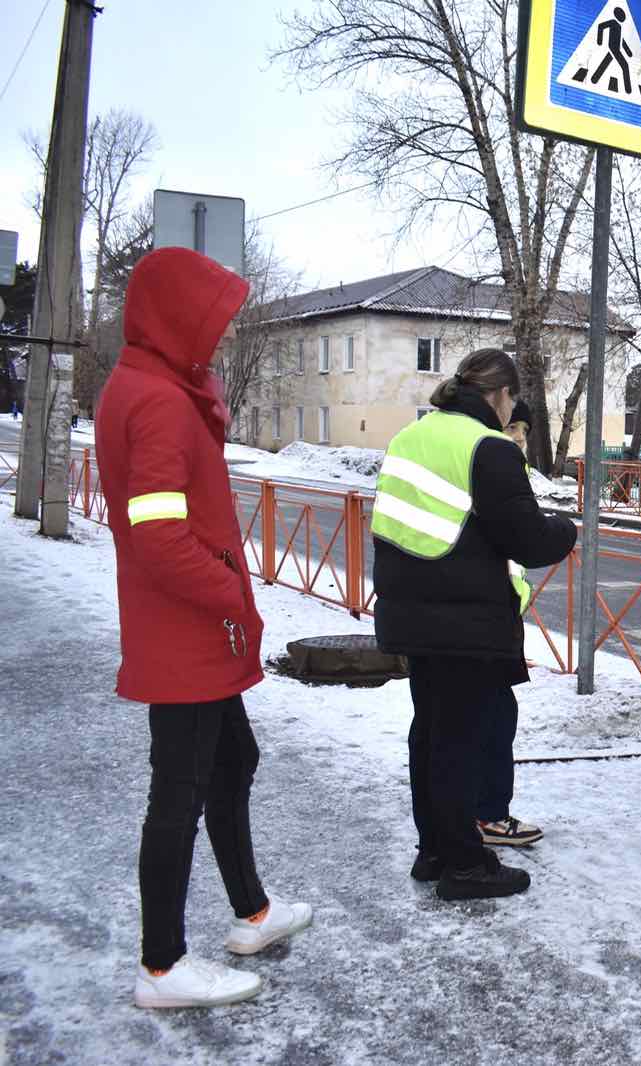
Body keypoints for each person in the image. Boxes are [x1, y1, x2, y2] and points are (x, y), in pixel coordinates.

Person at [96, 247, 313, 1009]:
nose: (217, 338)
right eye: (209, 322)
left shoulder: (156, 385)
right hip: (186, 631)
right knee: (179, 794)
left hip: (194, 632)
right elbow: (157, 535)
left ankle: (253, 911)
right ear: (174, 320)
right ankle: (161, 966)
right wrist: (230, 591)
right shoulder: (156, 400)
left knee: (231, 764)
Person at [372, 348, 576, 900]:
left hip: (410, 612)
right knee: (459, 743)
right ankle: (465, 863)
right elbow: (528, 538)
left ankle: (434, 850)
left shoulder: (409, 437)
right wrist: (566, 529)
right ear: (500, 395)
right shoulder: (487, 448)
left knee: (431, 735)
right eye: (510, 401)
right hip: (464, 621)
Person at [476, 396, 544, 850]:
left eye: (525, 429)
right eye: (514, 426)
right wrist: (557, 533)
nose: (520, 436)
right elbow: (525, 538)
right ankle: (488, 817)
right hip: (481, 622)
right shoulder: (491, 464)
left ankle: (476, 815)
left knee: (488, 718)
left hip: (489, 619)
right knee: (492, 719)